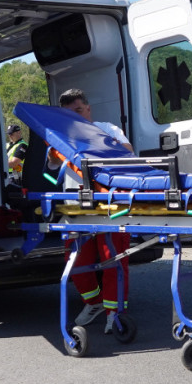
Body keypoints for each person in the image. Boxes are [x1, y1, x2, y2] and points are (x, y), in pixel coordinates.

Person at [46, 89, 134, 331]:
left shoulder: (107, 128)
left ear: (88, 108)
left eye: (77, 111)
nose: (74, 117)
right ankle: (94, 303)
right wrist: (60, 145)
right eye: (68, 114)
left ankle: (114, 313)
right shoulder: (61, 135)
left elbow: (127, 151)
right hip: (75, 206)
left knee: (113, 260)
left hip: (110, 203)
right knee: (75, 262)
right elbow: (52, 163)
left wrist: (94, 144)